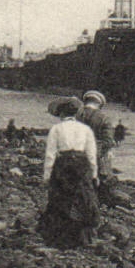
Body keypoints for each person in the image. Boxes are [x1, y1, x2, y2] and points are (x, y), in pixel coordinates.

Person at [40, 97, 101, 249]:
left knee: (61, 198)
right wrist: (94, 174)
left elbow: (50, 154)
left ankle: (61, 238)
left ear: (61, 114)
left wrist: (47, 176)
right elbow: (91, 154)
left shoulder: (56, 129)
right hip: (81, 165)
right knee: (83, 199)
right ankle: (82, 238)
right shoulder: (85, 129)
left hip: (63, 164)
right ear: (76, 113)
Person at [78, 90, 117, 192]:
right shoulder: (104, 118)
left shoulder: (75, 115)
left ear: (85, 101)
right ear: (99, 104)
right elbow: (108, 141)